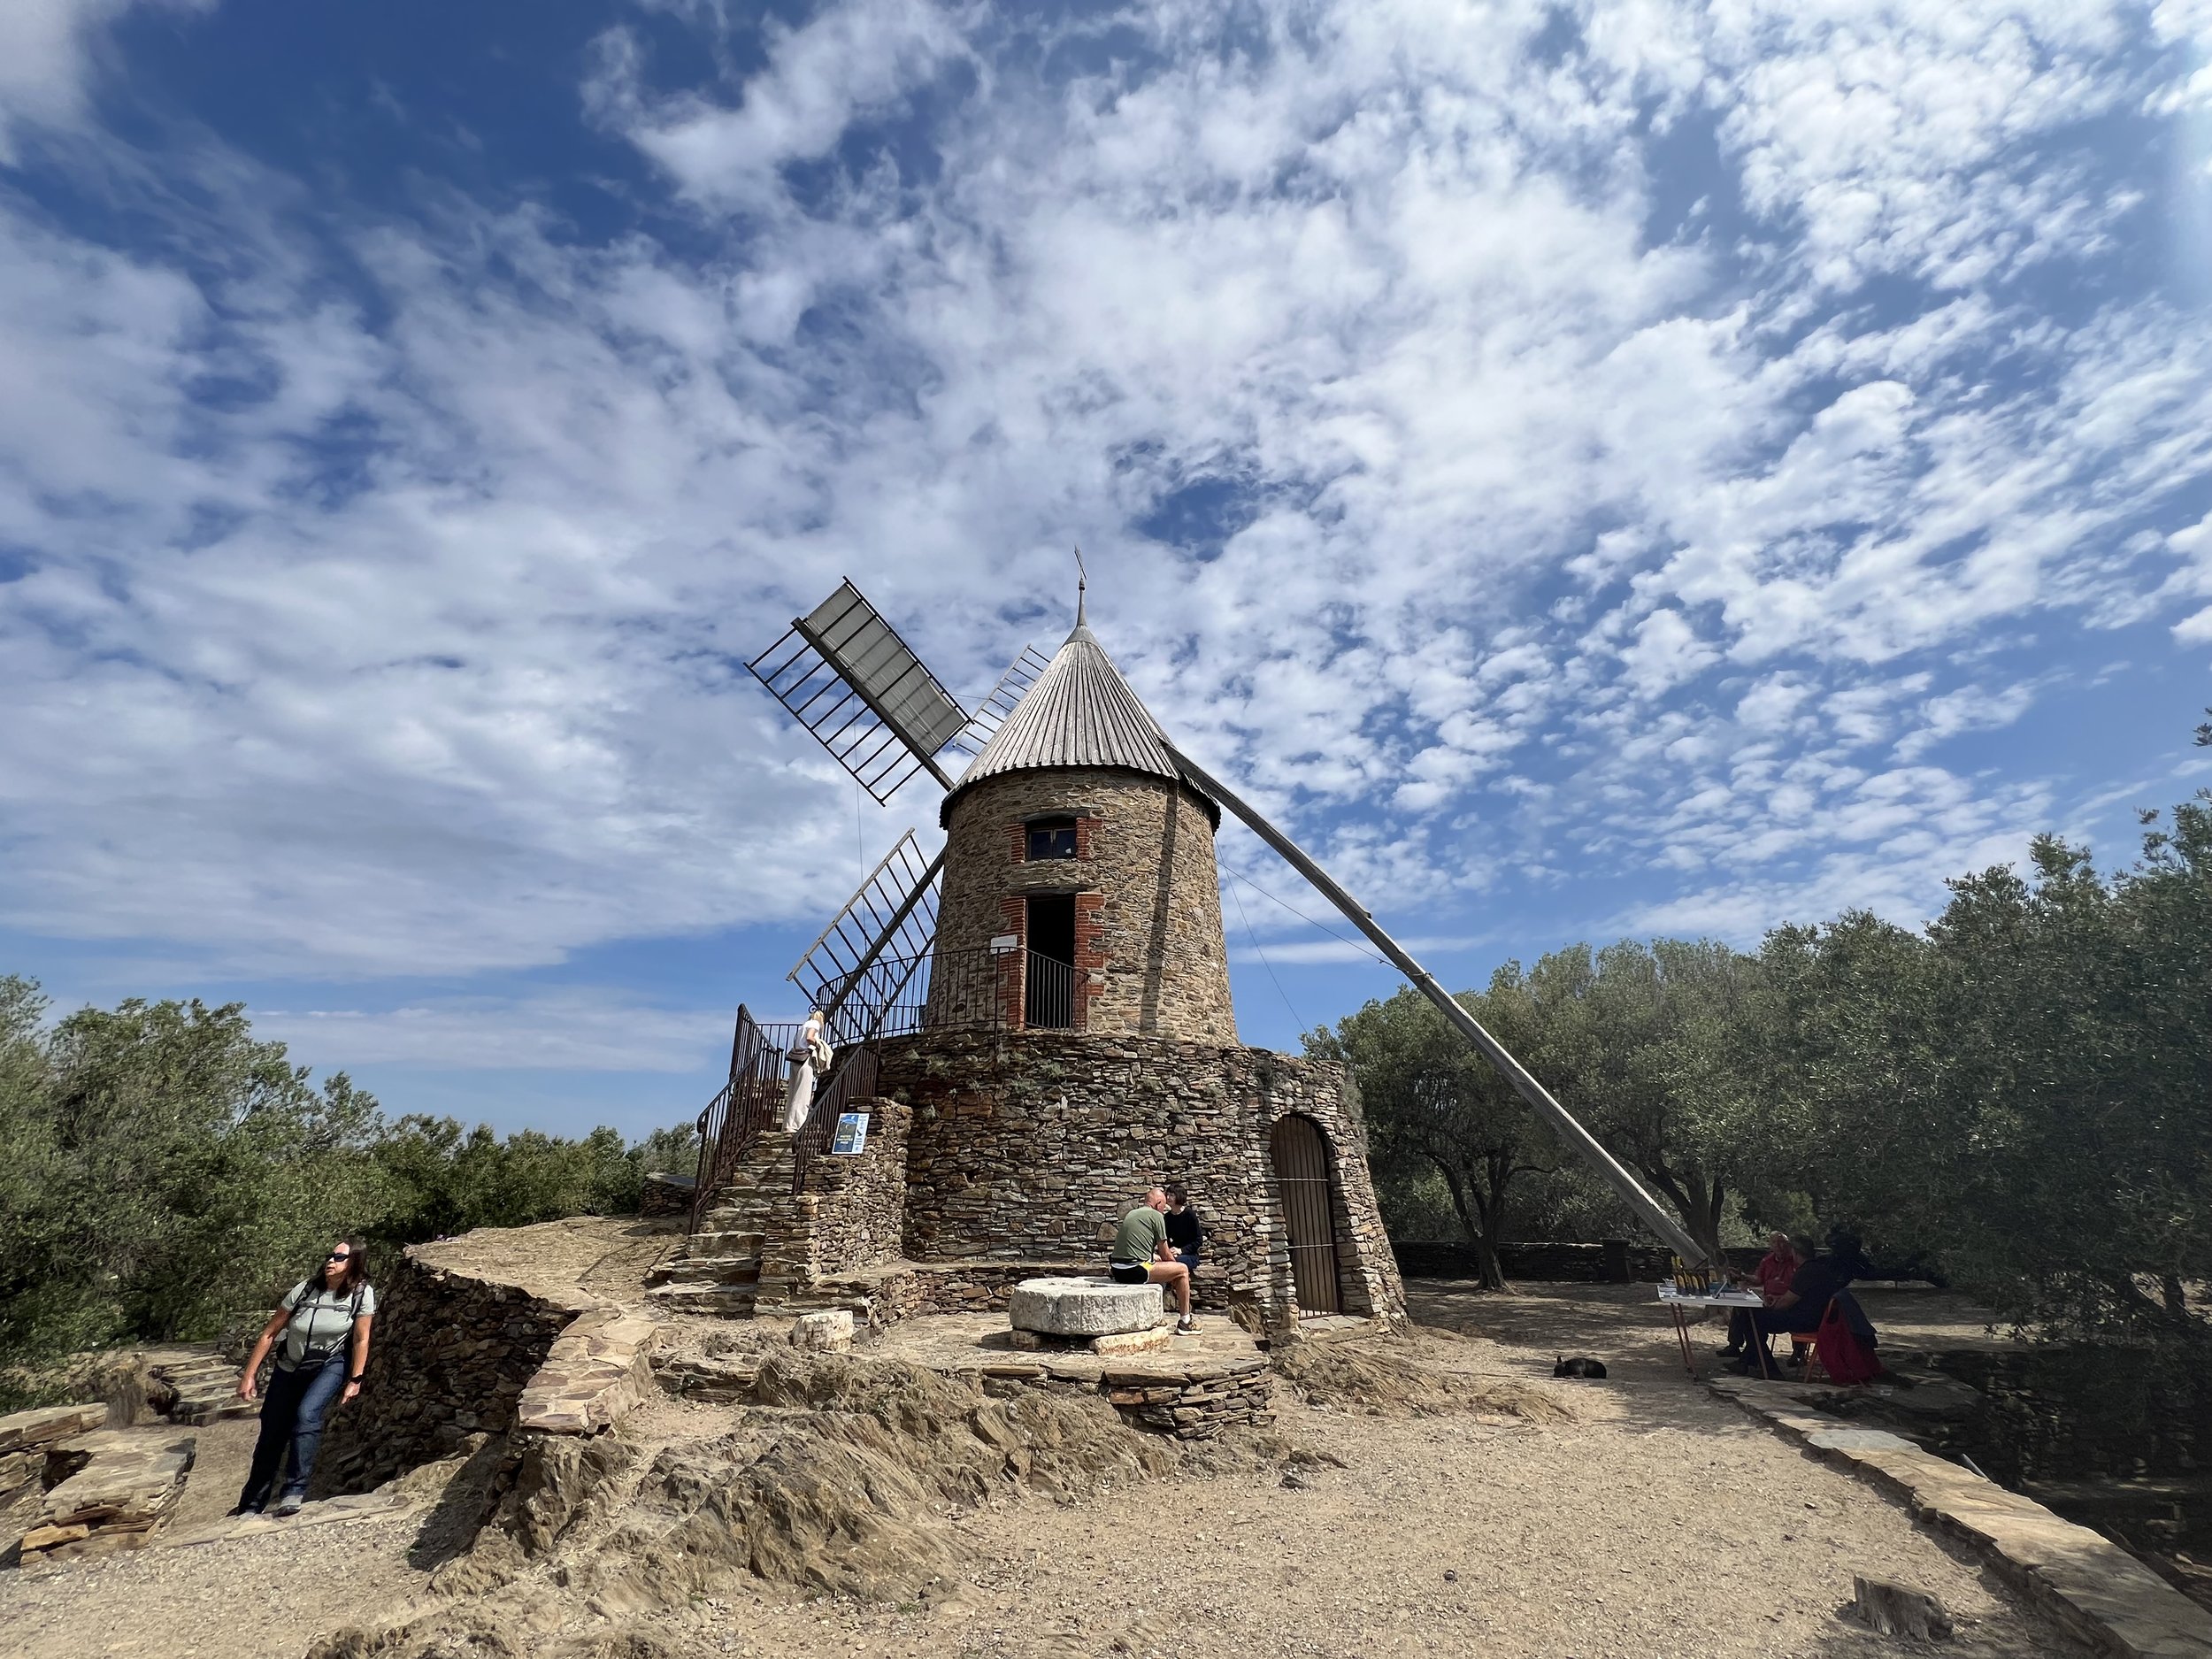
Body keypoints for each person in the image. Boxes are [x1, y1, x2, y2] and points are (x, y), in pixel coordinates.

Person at [234, 1239, 375, 1517]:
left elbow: (361, 1339)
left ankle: (294, 1491)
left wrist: (355, 1379)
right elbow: (269, 1334)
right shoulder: (304, 1290)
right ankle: (251, 1505)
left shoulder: (362, 1293)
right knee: (271, 1434)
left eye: (339, 1257)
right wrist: (248, 1376)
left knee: (306, 1415)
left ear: (355, 1262)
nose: (331, 1261)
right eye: (330, 1256)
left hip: (329, 1364)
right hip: (289, 1366)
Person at [1740, 1234, 1857, 1377]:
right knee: (1754, 1318)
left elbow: (1786, 1303)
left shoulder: (1805, 1272)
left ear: (1794, 1252)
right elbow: (1802, 1297)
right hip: (1817, 1318)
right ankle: (1747, 1362)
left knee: (1751, 1319)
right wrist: (1778, 1299)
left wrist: (1769, 1306)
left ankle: (1769, 1370)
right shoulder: (1820, 1269)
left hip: (1805, 1321)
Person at [1108, 1187, 1194, 1333]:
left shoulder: (1132, 1213)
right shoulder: (1156, 1216)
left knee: (1160, 1263)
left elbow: (1134, 1248)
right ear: (1158, 1204)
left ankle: (1156, 1316)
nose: (1164, 1210)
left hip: (1117, 1269)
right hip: (1135, 1270)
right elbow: (1166, 1254)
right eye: (1163, 1207)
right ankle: (1185, 1321)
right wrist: (1175, 1271)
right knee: (1182, 1270)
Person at [1718, 1233, 1798, 1358]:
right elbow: (1758, 1279)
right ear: (1770, 1245)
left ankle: (1797, 1354)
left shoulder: (1796, 1261)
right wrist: (1742, 1276)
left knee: (1756, 1320)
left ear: (1788, 1245)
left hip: (1789, 1302)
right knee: (1741, 1308)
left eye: (1782, 1242)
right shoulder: (1767, 1261)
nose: (1779, 1246)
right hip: (1767, 1301)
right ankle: (1735, 1346)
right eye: (1774, 1242)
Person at [782, 1009, 832, 1133]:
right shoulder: (815, 1024)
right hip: (805, 1060)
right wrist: (819, 1044)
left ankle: (787, 1125)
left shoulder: (802, 1027)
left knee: (793, 1093)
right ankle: (796, 1126)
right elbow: (810, 1038)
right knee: (802, 1095)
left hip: (795, 1059)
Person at [1163, 1183, 1203, 1277]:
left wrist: (1181, 1250)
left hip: (1190, 1256)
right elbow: (1166, 1239)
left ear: (1179, 1196)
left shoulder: (1190, 1215)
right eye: (1167, 1195)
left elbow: (1198, 1240)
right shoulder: (1167, 1217)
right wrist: (1170, 1251)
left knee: (1173, 1262)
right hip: (1173, 1254)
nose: (1168, 1198)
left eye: (1172, 1195)